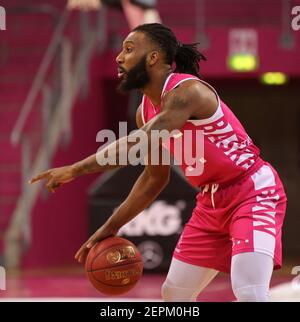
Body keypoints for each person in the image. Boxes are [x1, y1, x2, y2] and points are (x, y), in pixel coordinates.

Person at [30, 23, 287, 302]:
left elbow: (136, 143)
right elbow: (154, 179)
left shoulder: (186, 92)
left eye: (129, 50)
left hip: (253, 192)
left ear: (153, 57)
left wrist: (74, 169)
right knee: (174, 294)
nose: (119, 57)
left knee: (249, 291)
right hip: (210, 203)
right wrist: (113, 226)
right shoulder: (145, 110)